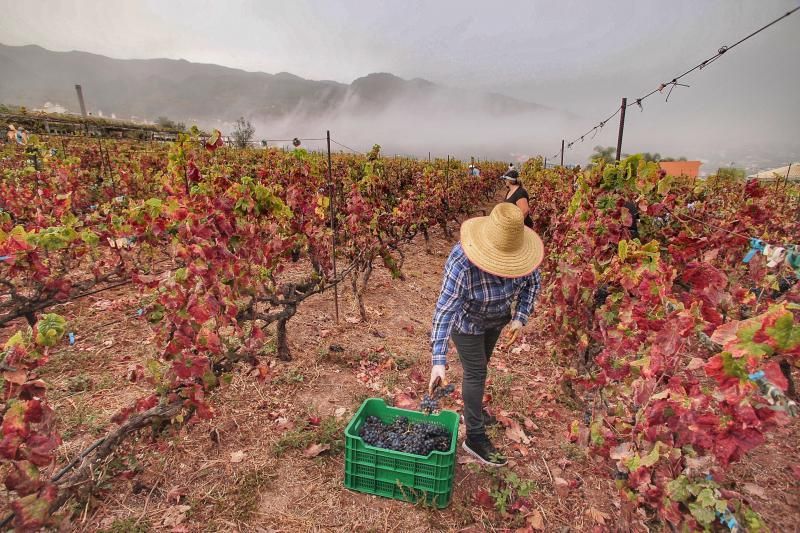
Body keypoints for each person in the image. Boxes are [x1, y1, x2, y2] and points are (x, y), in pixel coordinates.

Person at [429, 202, 543, 466]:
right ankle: (474, 437)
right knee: (477, 371)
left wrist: (519, 318)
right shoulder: (461, 261)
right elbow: (445, 311)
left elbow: (533, 283)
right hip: (466, 323)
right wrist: (438, 362)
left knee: (482, 365)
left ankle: (474, 408)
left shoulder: (523, 256)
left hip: (496, 320)